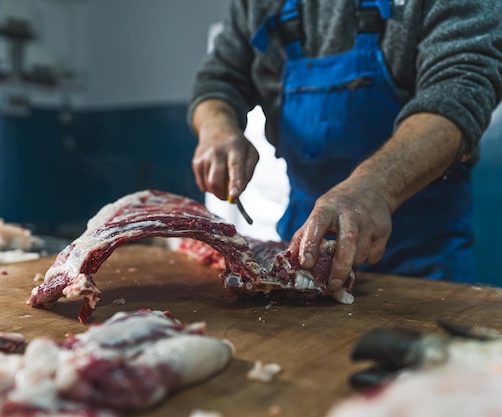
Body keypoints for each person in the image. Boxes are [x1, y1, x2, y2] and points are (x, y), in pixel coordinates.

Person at [188, 0, 502, 292]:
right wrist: (217, 128)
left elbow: (458, 89)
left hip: (425, 264)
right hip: (302, 259)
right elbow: (220, 79)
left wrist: (375, 187)